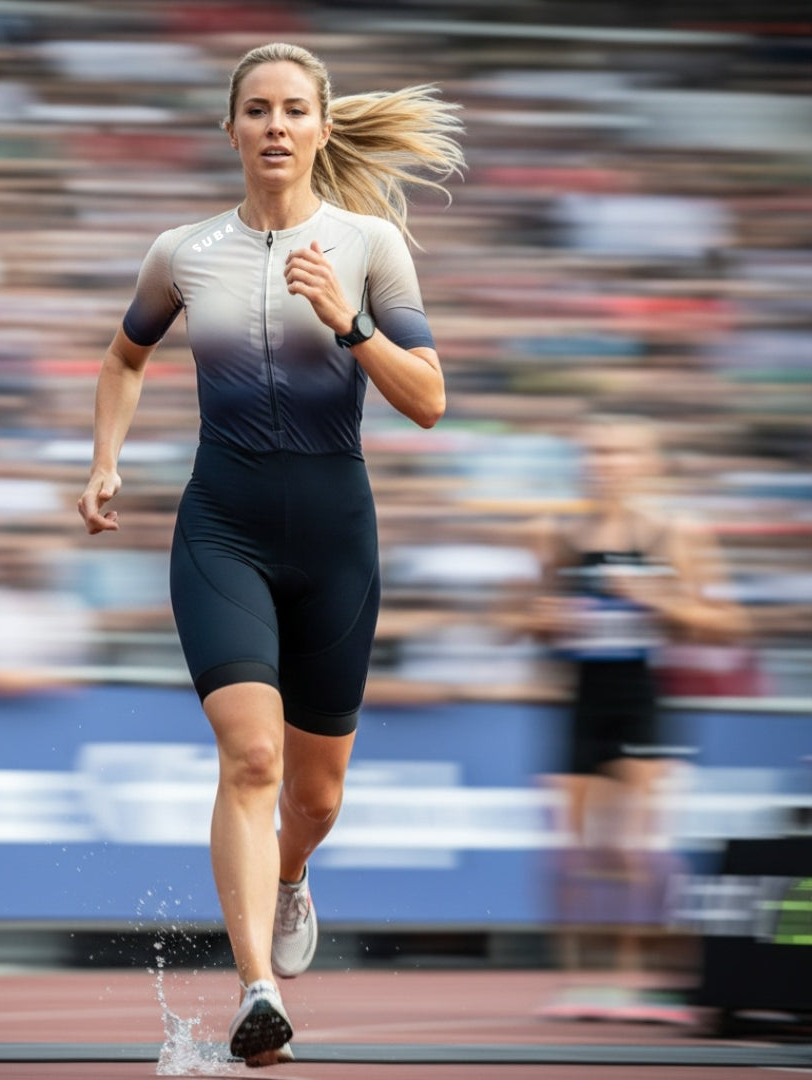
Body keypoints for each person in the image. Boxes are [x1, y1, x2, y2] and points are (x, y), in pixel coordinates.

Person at [77, 41, 463, 1066]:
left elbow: (429, 400)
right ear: (232, 129)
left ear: (322, 129)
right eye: (257, 110)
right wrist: (106, 459)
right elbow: (123, 357)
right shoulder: (182, 252)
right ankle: (259, 991)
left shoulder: (371, 246)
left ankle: (292, 874)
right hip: (224, 528)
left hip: (336, 540)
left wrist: (349, 325)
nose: (276, 126)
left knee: (316, 795)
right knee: (251, 757)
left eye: (295, 109)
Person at [528, 414, 748, 1023]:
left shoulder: (674, 534)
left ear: (646, 464)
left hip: (641, 695)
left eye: (620, 453)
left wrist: (655, 598)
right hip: (582, 696)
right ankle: (578, 982)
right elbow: (523, 620)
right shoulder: (558, 535)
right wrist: (545, 620)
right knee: (572, 854)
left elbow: (728, 623)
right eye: (597, 453)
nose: (607, 464)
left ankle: (637, 982)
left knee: (636, 851)